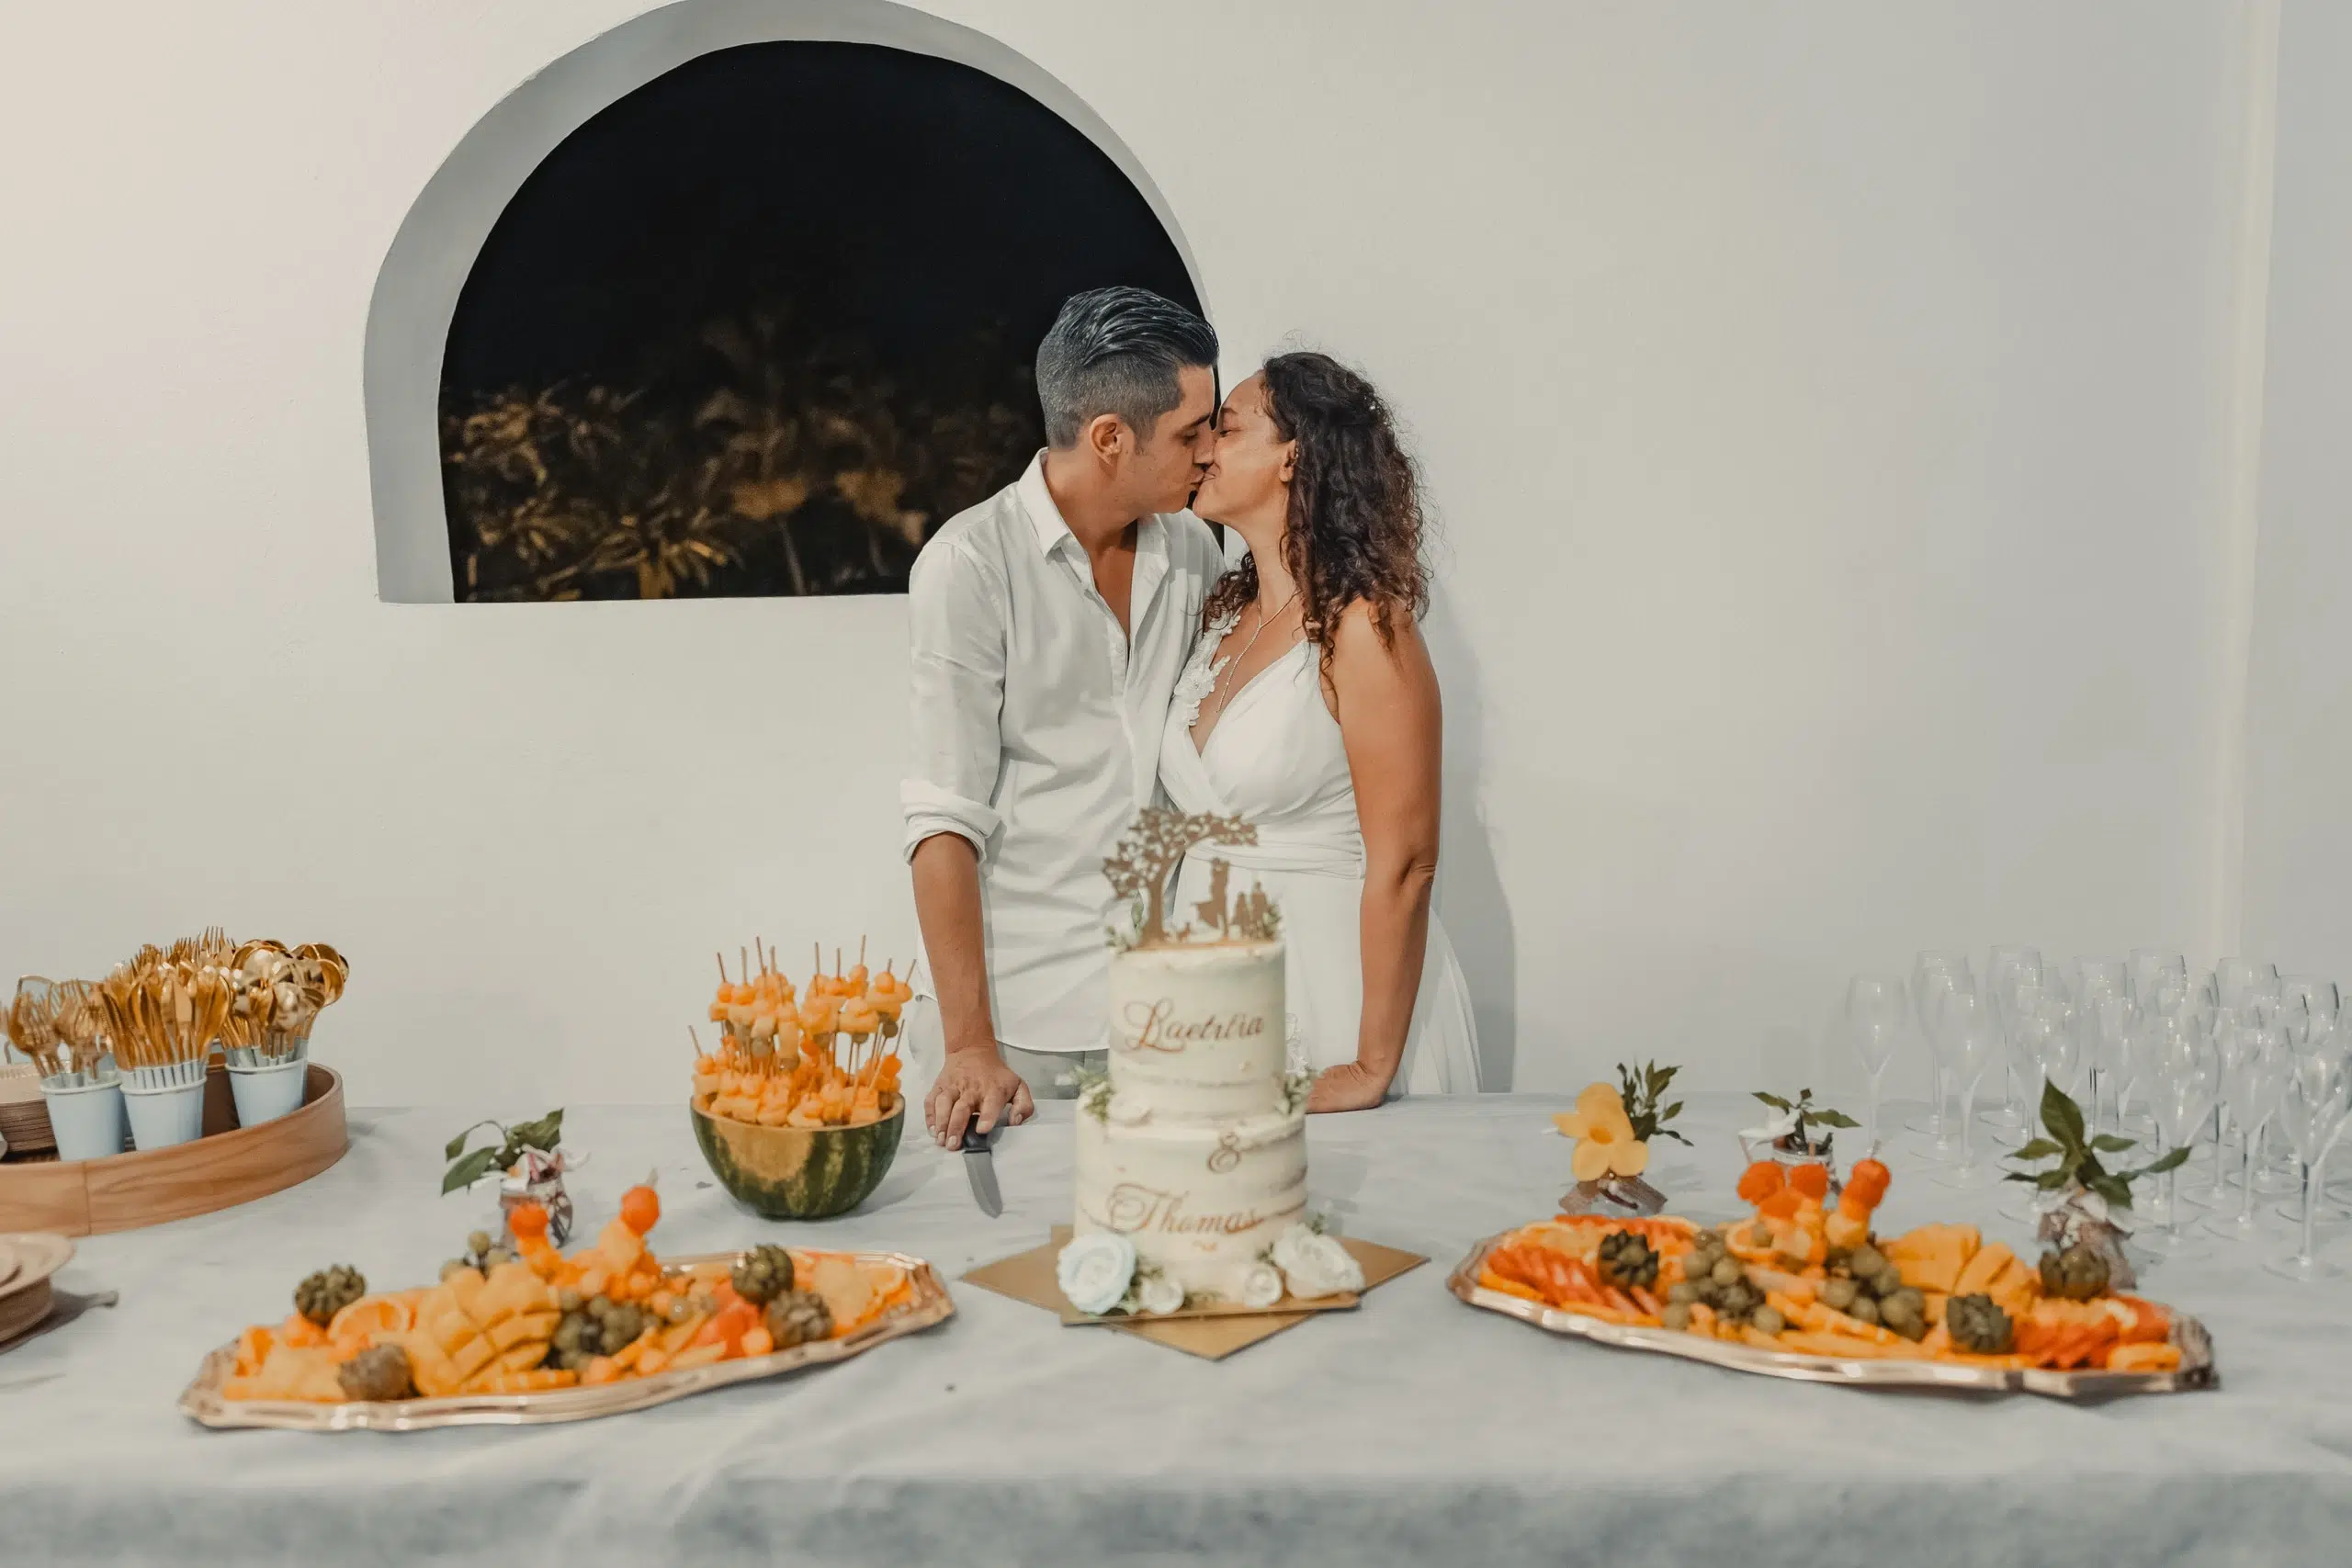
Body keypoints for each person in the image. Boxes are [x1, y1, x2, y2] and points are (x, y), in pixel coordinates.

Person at [902, 287, 1224, 1148]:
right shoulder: (968, 566)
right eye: (1193, 433)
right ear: (1111, 438)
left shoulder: (1192, 548)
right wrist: (970, 1045)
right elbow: (943, 817)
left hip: (1159, 1016)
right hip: (1016, 1030)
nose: (1210, 452)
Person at [1166, 351, 1480, 1110]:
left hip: (1330, 989)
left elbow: (1406, 862)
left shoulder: (1365, 625)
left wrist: (1369, 1065)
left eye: (1228, 428)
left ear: (1292, 457)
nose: (1204, 447)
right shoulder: (1219, 616)